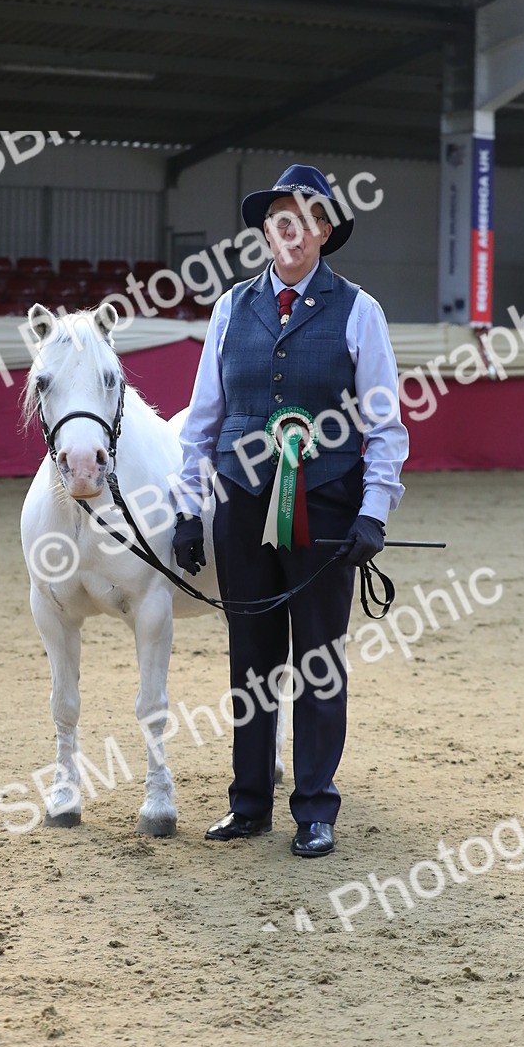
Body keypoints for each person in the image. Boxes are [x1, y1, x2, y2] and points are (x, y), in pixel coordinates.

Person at [172, 163, 409, 858]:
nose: (291, 230)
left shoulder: (360, 310)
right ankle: (248, 804)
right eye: (280, 218)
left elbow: (385, 425)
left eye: (304, 218)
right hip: (242, 510)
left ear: (324, 232)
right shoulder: (228, 310)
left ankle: (314, 809)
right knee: (250, 659)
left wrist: (374, 513)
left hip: (328, 507)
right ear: (267, 232)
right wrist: (189, 509)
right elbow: (202, 422)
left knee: (317, 659)